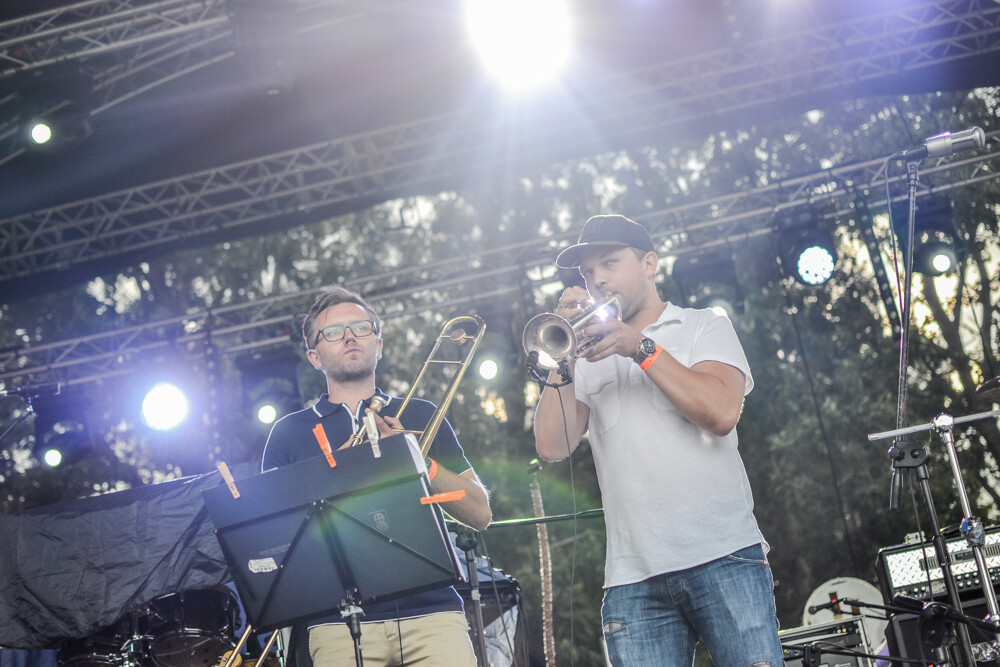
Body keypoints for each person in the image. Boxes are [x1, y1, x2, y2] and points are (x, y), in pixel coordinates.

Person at [532, 215, 783, 667]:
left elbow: (721, 413)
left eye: (610, 262)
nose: (598, 279)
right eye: (588, 273)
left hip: (724, 555)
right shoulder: (586, 357)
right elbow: (552, 446)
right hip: (633, 578)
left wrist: (639, 347)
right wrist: (562, 356)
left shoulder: (703, 326)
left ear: (650, 263)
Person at [261, 285, 492, 667]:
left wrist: (416, 458)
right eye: (333, 332)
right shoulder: (289, 432)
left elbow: (480, 513)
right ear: (315, 357)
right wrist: (334, 477)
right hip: (335, 621)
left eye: (362, 327)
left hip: (433, 613)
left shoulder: (420, 413)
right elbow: (273, 545)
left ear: (379, 344)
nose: (350, 336)